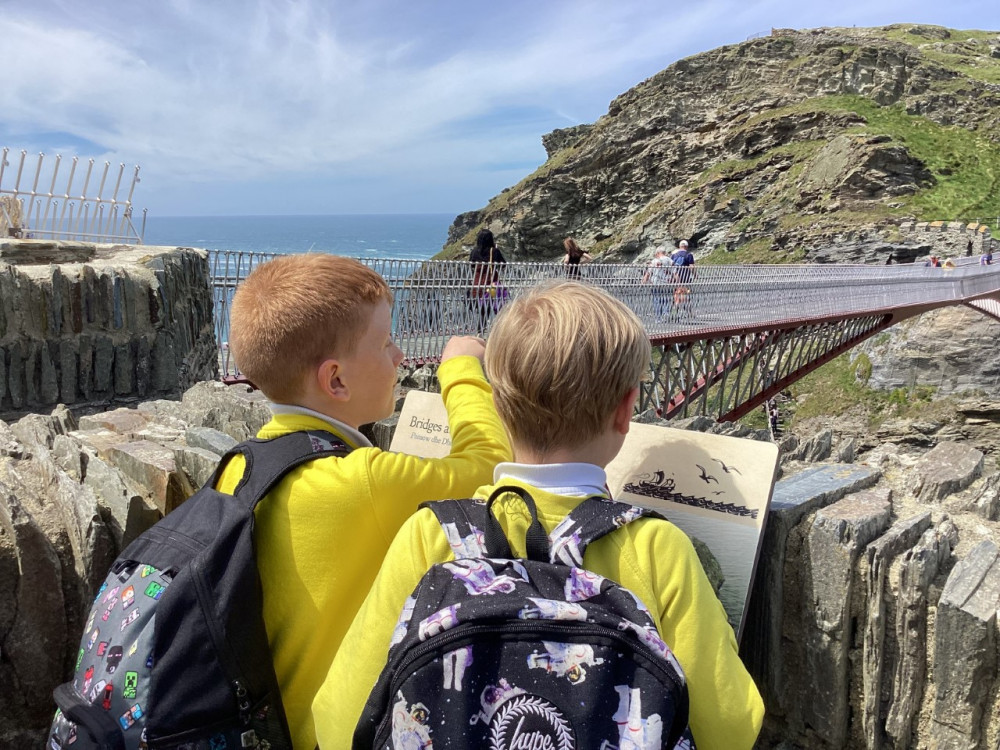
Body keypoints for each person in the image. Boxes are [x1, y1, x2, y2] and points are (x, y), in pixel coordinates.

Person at [313, 281, 765, 750]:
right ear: (625, 410)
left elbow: (340, 717)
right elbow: (729, 725)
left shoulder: (432, 534)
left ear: (496, 406)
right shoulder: (654, 547)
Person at [217, 254, 511, 749]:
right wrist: (461, 369)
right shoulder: (364, 482)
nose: (399, 356)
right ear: (336, 381)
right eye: (386, 342)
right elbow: (489, 463)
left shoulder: (238, 467)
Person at [468, 228, 508, 329]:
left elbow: (471, 265)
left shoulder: (474, 251)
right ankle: (499, 327)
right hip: (491, 282)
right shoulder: (494, 251)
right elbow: (503, 264)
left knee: (482, 305)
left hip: (477, 282)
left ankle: (480, 327)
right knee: (493, 302)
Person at [641, 246, 673, 319]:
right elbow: (674, 271)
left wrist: (643, 281)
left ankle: (658, 317)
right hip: (666, 282)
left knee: (657, 300)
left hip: (656, 283)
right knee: (666, 299)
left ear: (658, 253)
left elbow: (649, 272)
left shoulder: (654, 261)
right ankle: (666, 313)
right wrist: (677, 281)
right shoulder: (669, 260)